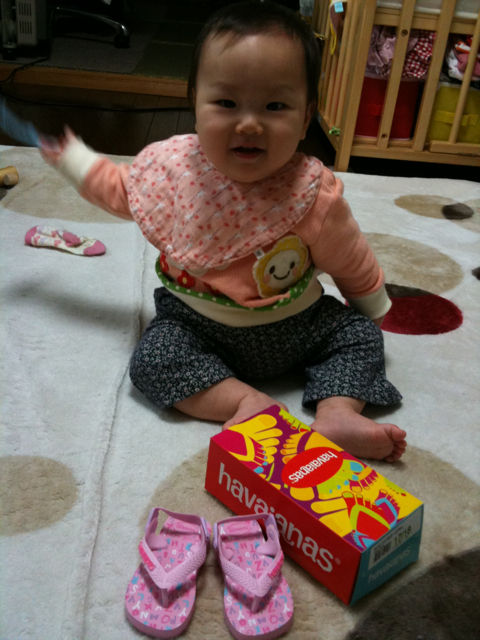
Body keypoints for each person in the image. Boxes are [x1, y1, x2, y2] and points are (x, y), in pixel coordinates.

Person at [41, 1, 406, 462]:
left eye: (275, 106)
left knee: (360, 336)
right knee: (153, 359)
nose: (249, 123)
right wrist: (76, 162)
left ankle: (337, 412)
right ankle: (243, 401)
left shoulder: (311, 194)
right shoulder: (175, 173)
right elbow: (120, 188)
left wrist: (372, 303)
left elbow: (349, 256)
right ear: (195, 105)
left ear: (305, 116)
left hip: (300, 323)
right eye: (227, 103)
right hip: (198, 327)